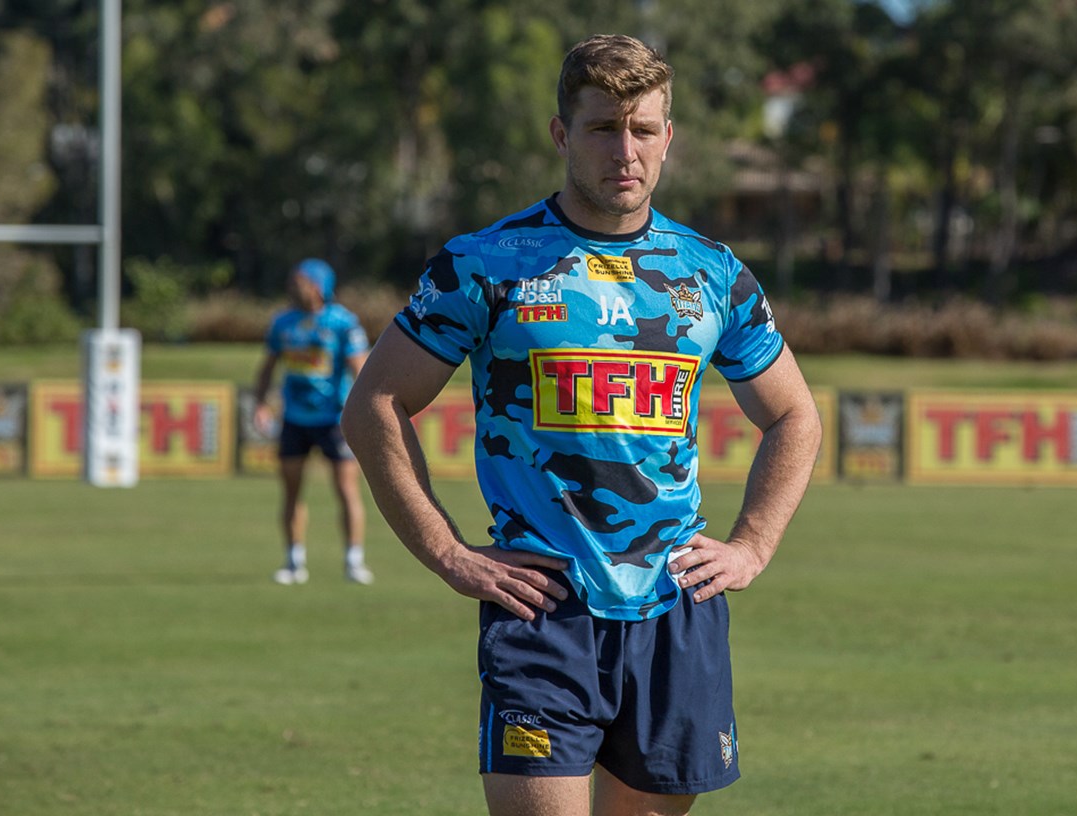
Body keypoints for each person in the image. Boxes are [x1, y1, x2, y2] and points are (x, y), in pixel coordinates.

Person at [341, 34, 821, 816]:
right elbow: (375, 405)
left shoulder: (712, 273)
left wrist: (753, 544)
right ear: (562, 134)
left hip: (675, 608)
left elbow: (794, 414)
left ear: (668, 138)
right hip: (542, 608)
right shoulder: (485, 263)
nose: (625, 151)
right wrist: (447, 553)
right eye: (602, 128)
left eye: (643, 129)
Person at [252, 258, 374, 585]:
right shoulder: (282, 322)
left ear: (318, 287)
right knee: (291, 490)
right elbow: (268, 367)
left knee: (346, 489)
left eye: (299, 282)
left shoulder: (342, 322)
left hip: (334, 419)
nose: (292, 287)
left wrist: (364, 410)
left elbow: (360, 368)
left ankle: (353, 560)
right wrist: (260, 403)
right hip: (294, 417)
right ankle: (294, 561)